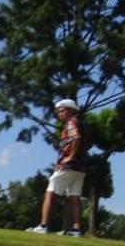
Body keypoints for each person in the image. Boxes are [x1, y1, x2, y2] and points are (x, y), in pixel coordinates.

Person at [27, 98, 87, 236]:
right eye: (58, 111)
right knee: (75, 197)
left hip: (68, 166)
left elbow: (76, 138)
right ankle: (76, 230)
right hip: (80, 168)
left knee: (50, 193)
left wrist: (71, 156)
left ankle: (43, 226)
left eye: (62, 110)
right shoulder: (80, 124)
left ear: (71, 110)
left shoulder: (71, 123)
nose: (59, 113)